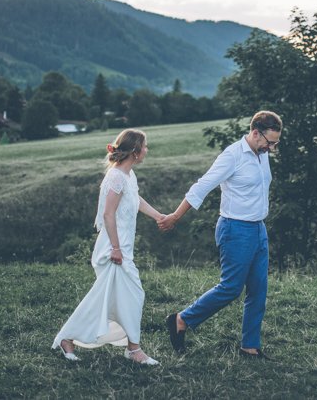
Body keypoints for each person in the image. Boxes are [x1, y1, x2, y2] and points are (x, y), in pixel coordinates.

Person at [158, 110, 283, 359]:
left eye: (276, 143)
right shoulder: (232, 156)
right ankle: (181, 320)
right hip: (235, 229)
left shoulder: (262, 153)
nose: (272, 147)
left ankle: (250, 346)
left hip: (258, 229)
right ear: (255, 132)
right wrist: (174, 216)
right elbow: (202, 186)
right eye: (270, 142)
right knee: (231, 287)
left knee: (258, 289)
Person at [52, 129, 163, 365]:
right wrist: (115, 248)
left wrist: (158, 216)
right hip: (113, 249)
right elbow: (108, 214)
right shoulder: (115, 178)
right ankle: (133, 349)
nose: (147, 150)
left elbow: (136, 200)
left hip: (121, 248)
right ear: (135, 151)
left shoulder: (128, 176)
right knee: (132, 295)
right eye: (144, 146)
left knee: (111, 298)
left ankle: (69, 339)